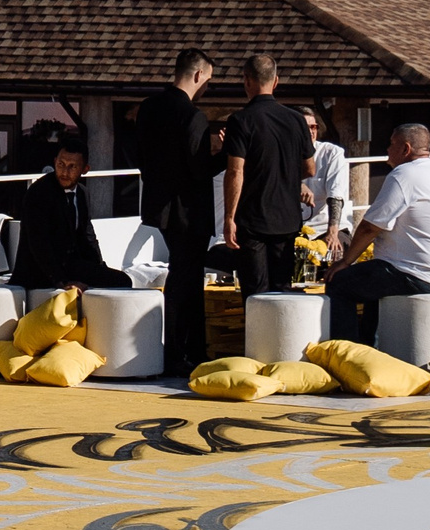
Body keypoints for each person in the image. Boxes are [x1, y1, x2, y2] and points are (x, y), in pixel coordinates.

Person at [322, 123, 430, 345]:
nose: (387, 149)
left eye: (391, 144)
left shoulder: (404, 174)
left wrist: (346, 262)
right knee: (372, 281)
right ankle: (369, 346)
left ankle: (346, 354)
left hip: (418, 274)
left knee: (340, 282)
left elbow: (371, 226)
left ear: (405, 149)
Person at [134, 48, 221, 370]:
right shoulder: (192, 116)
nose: (207, 87)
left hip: (160, 202)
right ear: (198, 75)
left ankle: (181, 350)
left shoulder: (148, 108)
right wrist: (224, 153)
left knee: (180, 276)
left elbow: (141, 156)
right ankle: (182, 351)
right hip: (189, 208)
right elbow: (200, 170)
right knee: (187, 279)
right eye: (208, 81)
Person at [221, 53, 315, 294]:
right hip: (287, 216)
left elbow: (235, 171)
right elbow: (309, 168)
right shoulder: (296, 120)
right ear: (276, 81)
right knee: (282, 289)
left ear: (247, 81)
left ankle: (257, 333)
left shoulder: (241, 120)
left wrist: (229, 218)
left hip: (253, 216)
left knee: (255, 292)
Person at [12, 136, 130, 292]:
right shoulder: (39, 192)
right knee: (118, 281)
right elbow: (39, 242)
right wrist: (60, 281)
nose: (64, 172)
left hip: (69, 264)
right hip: (39, 271)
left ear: (85, 169)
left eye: (72, 166)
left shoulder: (82, 193)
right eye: (61, 164)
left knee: (121, 280)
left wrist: (99, 266)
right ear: (54, 162)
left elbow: (88, 236)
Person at [301, 107, 351, 254]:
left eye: (313, 127)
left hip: (325, 226)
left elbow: (335, 195)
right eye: (305, 128)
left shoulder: (332, 153)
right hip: (293, 229)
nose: (310, 132)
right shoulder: (281, 154)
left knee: (335, 252)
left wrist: (332, 233)